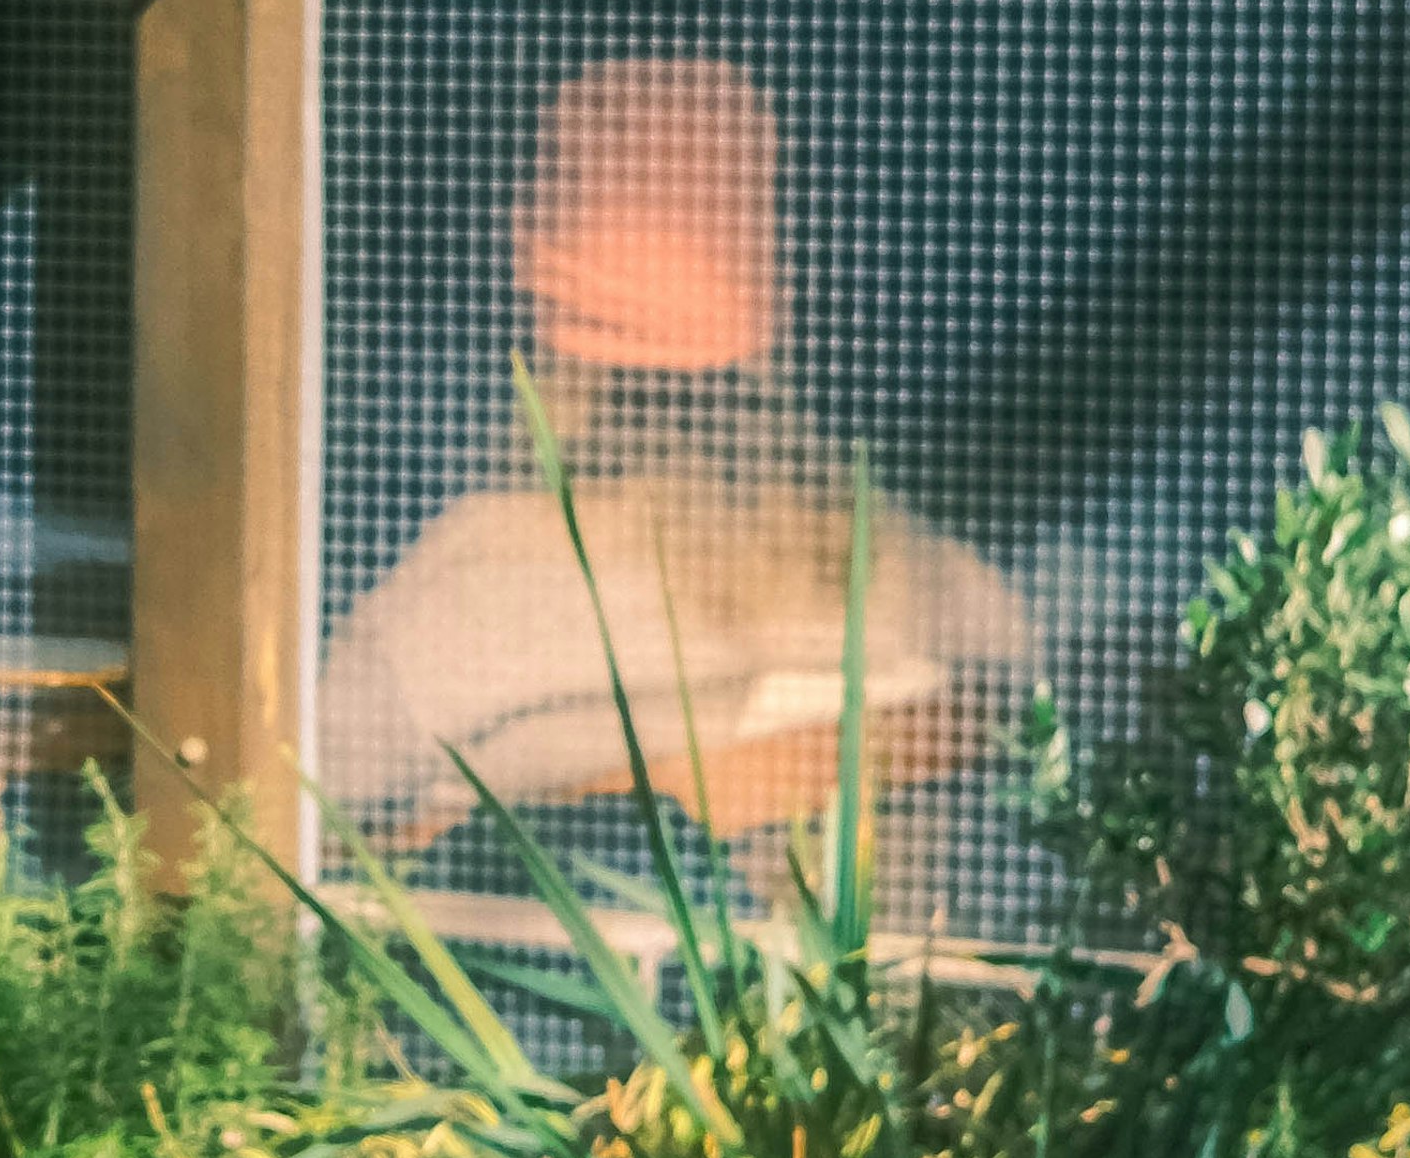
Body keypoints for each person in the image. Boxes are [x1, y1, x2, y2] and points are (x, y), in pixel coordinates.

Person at [320, 59, 1026, 850]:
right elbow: (1032, 738)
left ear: (535, 326)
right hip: (855, 971)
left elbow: (284, 819)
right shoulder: (930, 584)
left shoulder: (468, 593)